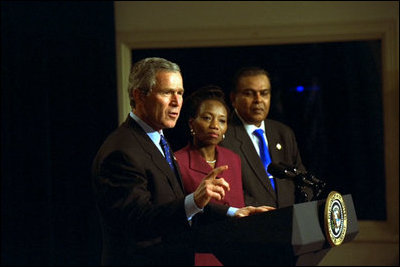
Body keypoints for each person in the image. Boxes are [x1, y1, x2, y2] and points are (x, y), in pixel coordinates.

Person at [92, 58, 273, 266]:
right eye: (167, 92)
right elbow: (139, 221)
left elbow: (172, 204)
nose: (177, 102)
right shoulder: (122, 150)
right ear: (139, 96)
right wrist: (194, 200)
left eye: (179, 92)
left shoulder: (157, 140)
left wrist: (234, 213)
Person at [175, 86, 255, 266]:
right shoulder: (177, 162)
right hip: (200, 254)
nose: (214, 126)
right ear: (191, 123)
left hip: (236, 253)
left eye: (222, 120)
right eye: (206, 118)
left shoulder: (233, 159)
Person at [220, 66, 308, 209]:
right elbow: (230, 191)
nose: (258, 100)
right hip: (251, 223)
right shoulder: (223, 137)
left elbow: (301, 180)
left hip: (291, 222)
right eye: (249, 93)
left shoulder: (283, 133)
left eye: (264, 93)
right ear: (233, 98)